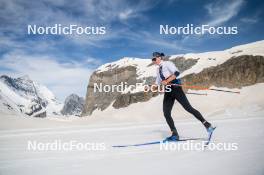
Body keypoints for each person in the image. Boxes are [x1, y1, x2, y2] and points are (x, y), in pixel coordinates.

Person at [151, 52, 215, 141]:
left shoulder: (167, 64)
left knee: (188, 108)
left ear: (159, 58)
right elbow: (157, 82)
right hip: (168, 91)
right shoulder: (158, 70)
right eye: (152, 59)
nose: (153, 61)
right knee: (166, 113)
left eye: (154, 59)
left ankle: (207, 125)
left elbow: (177, 73)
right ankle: (175, 135)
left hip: (176, 88)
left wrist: (167, 80)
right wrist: (152, 86)